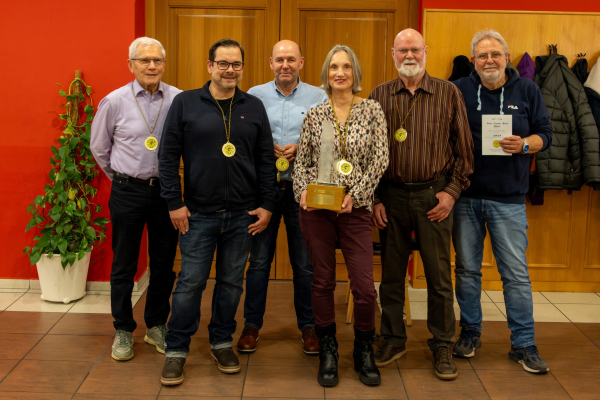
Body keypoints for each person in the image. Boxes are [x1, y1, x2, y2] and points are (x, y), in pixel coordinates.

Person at [157, 38, 278, 385]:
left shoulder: (253, 106)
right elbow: (167, 157)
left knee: (231, 284)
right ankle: (177, 349)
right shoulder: (185, 103)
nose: (230, 70)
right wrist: (174, 202)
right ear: (210, 66)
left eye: (236, 64)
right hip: (197, 214)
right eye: (223, 63)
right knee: (190, 283)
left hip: (243, 215)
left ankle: (222, 341)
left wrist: (268, 204)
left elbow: (265, 160)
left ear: (242, 68)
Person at [369, 28, 474, 380]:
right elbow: (369, 153)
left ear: (425, 51)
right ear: (393, 54)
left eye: (415, 49)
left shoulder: (448, 92)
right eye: (403, 50)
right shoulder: (379, 95)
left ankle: (442, 342)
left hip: (434, 196)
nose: (409, 55)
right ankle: (392, 338)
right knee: (391, 275)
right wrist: (375, 198)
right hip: (392, 197)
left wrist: (451, 192)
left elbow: (464, 150)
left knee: (439, 276)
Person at [452, 29, 552, 374]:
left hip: (509, 200)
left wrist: (524, 144)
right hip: (465, 198)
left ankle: (524, 344)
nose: (489, 60)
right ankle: (470, 332)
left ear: (507, 58)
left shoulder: (528, 90)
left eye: (495, 54)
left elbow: (546, 134)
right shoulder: (459, 90)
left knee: (516, 275)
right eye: (482, 55)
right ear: (473, 61)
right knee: (467, 271)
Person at [293, 45, 389, 387]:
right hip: (318, 212)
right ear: (326, 73)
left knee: (364, 287)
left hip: (356, 211)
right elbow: (302, 163)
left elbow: (380, 159)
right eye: (334, 67)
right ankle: (328, 348)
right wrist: (302, 191)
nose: (340, 73)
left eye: (346, 66)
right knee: (322, 281)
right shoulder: (315, 114)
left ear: (355, 73)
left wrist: (356, 195)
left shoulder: (372, 110)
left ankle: (363, 348)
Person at [90, 37, 180, 362]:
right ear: (131, 65)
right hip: (127, 191)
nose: (151, 66)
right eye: (144, 60)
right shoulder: (114, 101)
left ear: (164, 64)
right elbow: (99, 148)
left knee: (163, 264)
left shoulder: (178, 99)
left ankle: (156, 325)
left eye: (157, 60)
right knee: (124, 264)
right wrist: (121, 178)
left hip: (166, 192)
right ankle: (123, 329)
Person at [236, 40, 329, 355]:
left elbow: (330, 140)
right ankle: (252, 325)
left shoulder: (319, 97)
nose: (285, 65)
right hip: (264, 193)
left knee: (305, 264)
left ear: (301, 62)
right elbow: (243, 138)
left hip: (303, 193)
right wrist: (265, 148)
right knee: (259, 263)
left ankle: (309, 326)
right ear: (270, 63)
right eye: (279, 60)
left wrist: (302, 146)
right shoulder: (254, 95)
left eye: (291, 59)